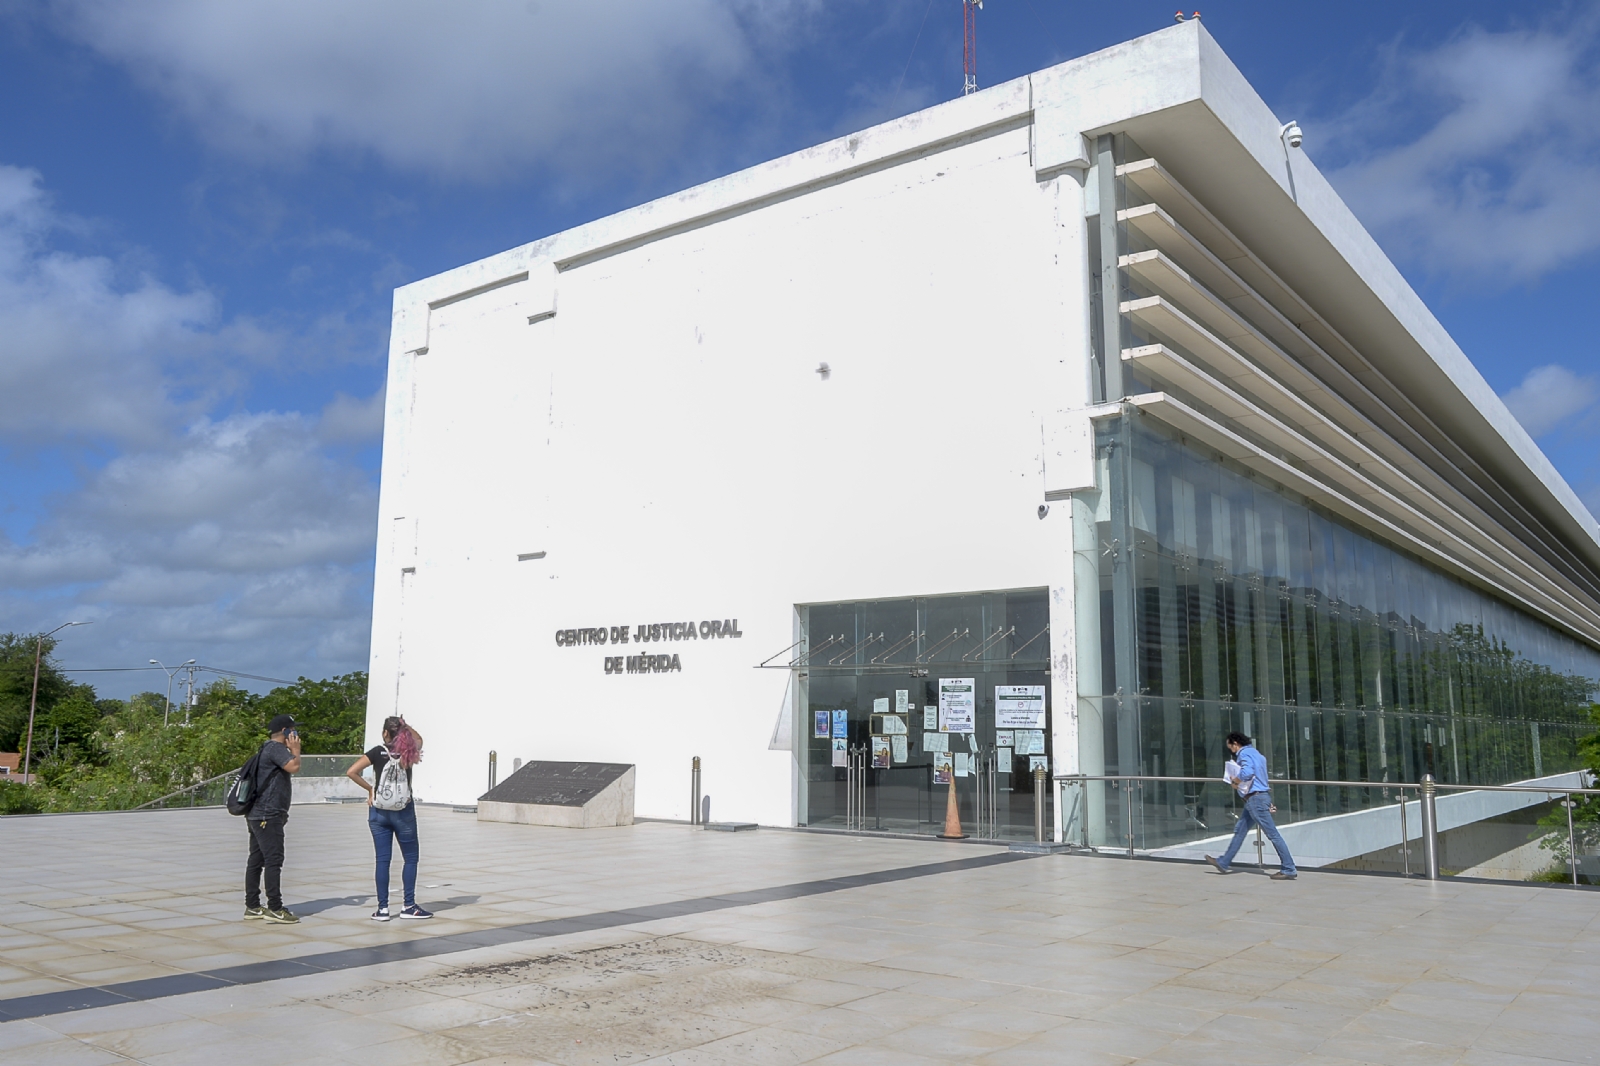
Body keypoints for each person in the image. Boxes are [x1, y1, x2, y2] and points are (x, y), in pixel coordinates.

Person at [345, 716, 433, 921]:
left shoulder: (377, 752)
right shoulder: (407, 752)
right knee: (410, 858)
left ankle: (382, 909)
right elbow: (420, 739)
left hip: (378, 812)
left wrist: (371, 790)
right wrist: (405, 725)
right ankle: (409, 906)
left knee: (382, 860)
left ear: (385, 733)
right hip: (404, 812)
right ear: (403, 734)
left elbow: (351, 771)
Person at [1206, 731, 1297, 880]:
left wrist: (1235, 781)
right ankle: (1223, 862)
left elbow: (1248, 772)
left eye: (1230, 746)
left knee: (1273, 834)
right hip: (1258, 798)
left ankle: (1289, 868)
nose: (1231, 750)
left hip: (1255, 800)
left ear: (1235, 743)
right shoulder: (1257, 754)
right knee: (1240, 830)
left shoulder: (1244, 754)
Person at [244, 714, 302, 922]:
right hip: (268, 815)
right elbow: (294, 767)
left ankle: (252, 906)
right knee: (273, 860)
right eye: (294, 731)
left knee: (257, 859)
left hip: (258, 813)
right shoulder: (276, 749)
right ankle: (275, 908)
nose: (296, 735)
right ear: (286, 731)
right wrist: (296, 750)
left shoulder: (265, 748)